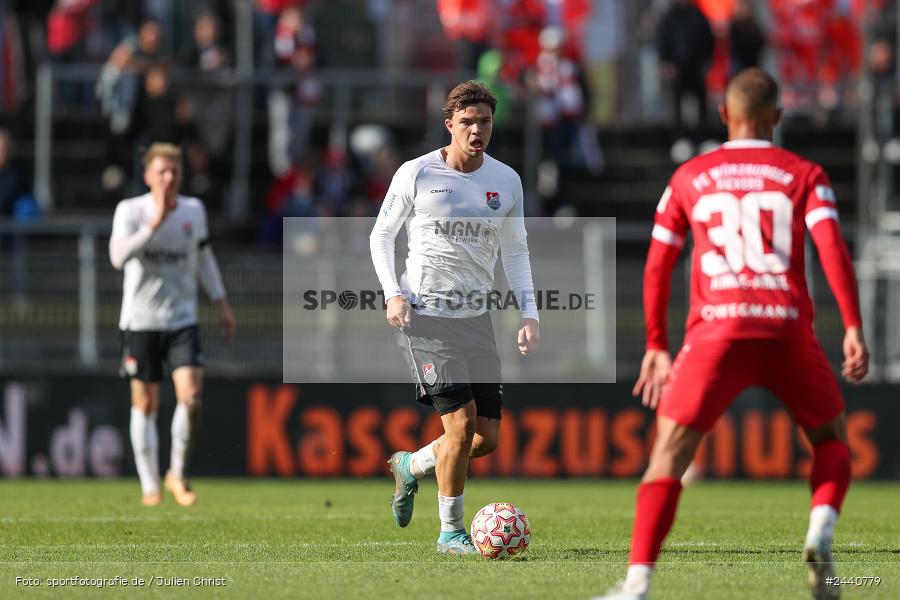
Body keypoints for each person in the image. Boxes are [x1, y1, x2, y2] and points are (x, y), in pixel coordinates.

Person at [594, 68, 869, 600]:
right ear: (777, 116)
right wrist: (853, 325)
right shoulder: (803, 173)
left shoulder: (690, 176)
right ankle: (820, 529)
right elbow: (831, 247)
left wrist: (656, 344)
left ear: (725, 114)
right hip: (785, 326)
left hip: (716, 330)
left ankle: (637, 584)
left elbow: (659, 263)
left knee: (668, 456)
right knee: (832, 440)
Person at [369, 81, 540, 554]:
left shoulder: (506, 181)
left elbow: (516, 252)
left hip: (477, 318)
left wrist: (529, 312)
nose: (476, 130)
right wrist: (393, 294)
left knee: (485, 439)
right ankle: (450, 532)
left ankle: (410, 466)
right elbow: (381, 236)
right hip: (426, 316)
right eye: (467, 122)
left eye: (484, 121)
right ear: (449, 124)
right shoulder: (417, 173)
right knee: (460, 428)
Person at [109, 142, 236, 507]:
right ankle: (150, 486)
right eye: (162, 171)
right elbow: (117, 257)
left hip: (182, 320)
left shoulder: (194, 211)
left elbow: (204, 258)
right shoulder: (131, 211)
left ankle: (177, 474)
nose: (168, 177)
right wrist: (155, 223)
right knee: (145, 402)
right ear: (148, 175)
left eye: (174, 171)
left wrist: (221, 303)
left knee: (191, 396)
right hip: (140, 321)